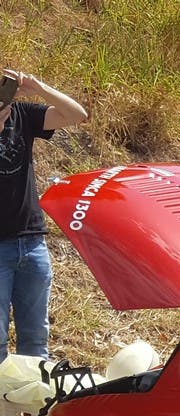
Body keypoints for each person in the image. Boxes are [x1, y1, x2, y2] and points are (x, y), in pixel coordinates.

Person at [1, 68, 88, 360]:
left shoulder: (22, 114)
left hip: (32, 242)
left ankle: (34, 391)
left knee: (36, 340)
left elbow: (77, 115)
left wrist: (39, 88)